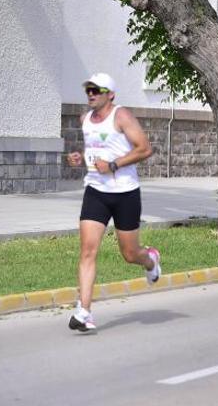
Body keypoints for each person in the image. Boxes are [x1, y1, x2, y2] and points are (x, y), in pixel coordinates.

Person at [65, 73, 162, 332]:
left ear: (111, 94)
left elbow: (145, 148)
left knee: (130, 254)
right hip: (95, 191)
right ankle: (84, 311)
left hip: (125, 193)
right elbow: (95, 151)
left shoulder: (122, 116)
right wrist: (79, 159)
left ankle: (150, 260)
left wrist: (114, 165)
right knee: (87, 251)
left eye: (97, 90)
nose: (91, 94)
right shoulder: (85, 120)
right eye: (88, 90)